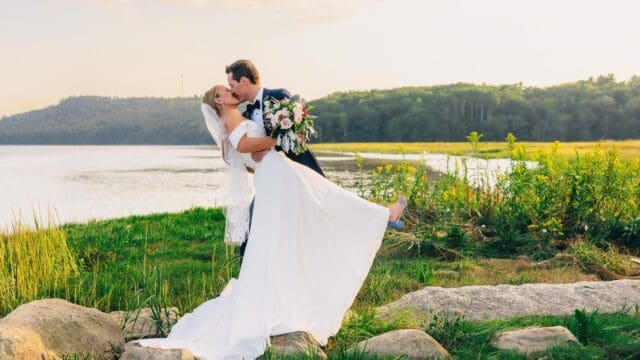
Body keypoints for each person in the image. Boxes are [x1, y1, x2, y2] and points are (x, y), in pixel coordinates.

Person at [135, 84, 407, 360]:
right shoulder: (229, 115)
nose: (231, 93)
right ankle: (383, 215)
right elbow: (242, 146)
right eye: (225, 91)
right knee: (322, 199)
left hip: (274, 174)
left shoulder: (231, 118)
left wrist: (265, 152)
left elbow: (242, 159)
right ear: (218, 100)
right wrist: (276, 140)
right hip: (276, 175)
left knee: (310, 207)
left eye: (231, 88)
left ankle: (381, 215)